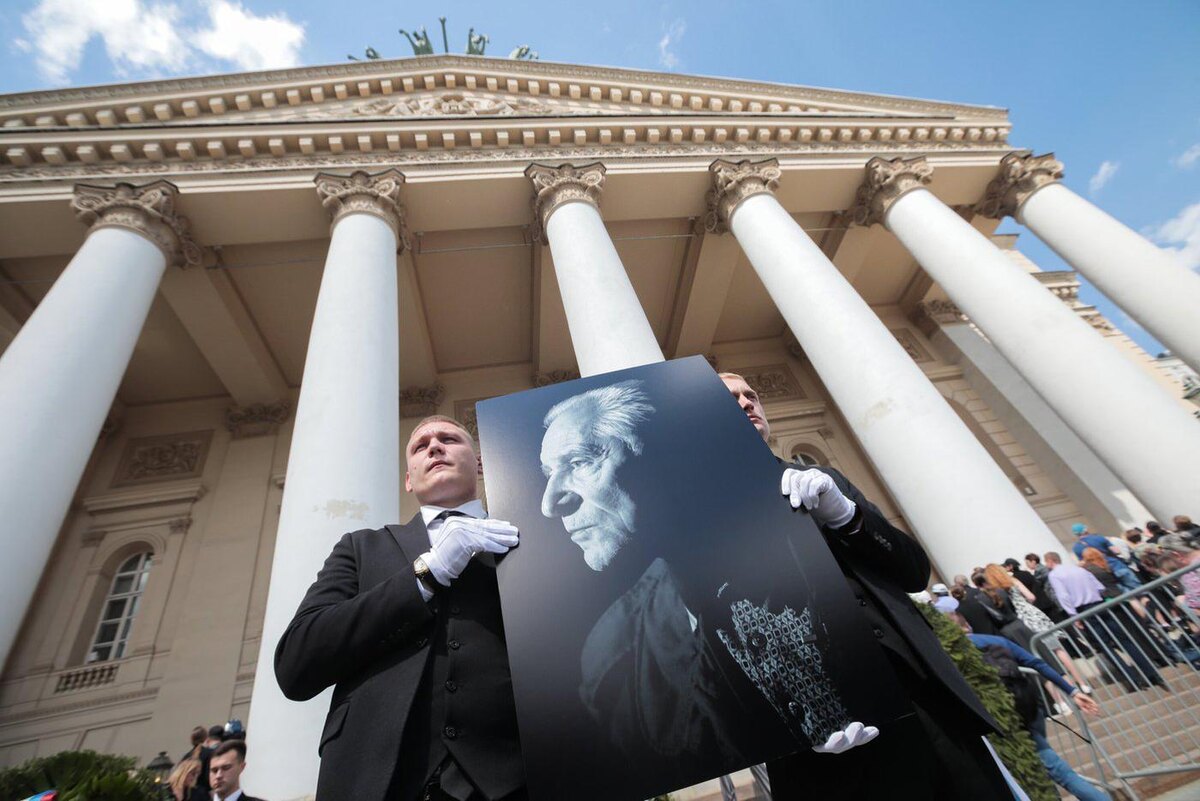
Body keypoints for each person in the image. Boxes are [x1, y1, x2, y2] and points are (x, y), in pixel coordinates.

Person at [537, 380, 863, 783]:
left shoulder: (797, 525)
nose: (550, 504)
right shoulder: (608, 657)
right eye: (550, 474)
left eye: (581, 461)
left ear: (669, 455)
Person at [718, 373, 1012, 800]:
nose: (747, 403)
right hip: (830, 741)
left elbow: (914, 573)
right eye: (731, 399)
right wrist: (781, 722)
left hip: (925, 706)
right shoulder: (698, 522)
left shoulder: (823, 478)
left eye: (751, 395)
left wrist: (848, 517)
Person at [274, 415, 525, 801]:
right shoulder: (361, 548)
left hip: (515, 783)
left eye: (448, 439)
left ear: (479, 464)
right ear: (409, 480)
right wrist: (426, 573)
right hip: (376, 783)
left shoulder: (526, 543)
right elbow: (297, 662)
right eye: (420, 446)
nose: (434, 447)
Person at [959, 624, 1111, 801]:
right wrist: (1073, 691)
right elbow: (1037, 663)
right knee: (1054, 770)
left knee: (1043, 774)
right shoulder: (997, 641)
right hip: (1028, 709)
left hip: (1001, 722)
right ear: (965, 624)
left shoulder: (954, 652)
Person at [1045, 551, 1164, 691]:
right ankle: (1152, 673)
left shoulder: (1054, 575)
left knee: (1105, 646)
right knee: (1125, 640)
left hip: (1084, 610)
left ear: (1050, 561)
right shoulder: (1078, 569)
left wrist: (1072, 614)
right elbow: (1099, 586)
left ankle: (1133, 679)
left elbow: (1063, 595)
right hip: (1100, 604)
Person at [1070, 523, 1141, 593]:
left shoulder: (1076, 548)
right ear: (1085, 530)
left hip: (1105, 573)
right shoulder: (1099, 538)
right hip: (1117, 566)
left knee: (1129, 597)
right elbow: (1116, 551)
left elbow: (1083, 563)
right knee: (1140, 591)